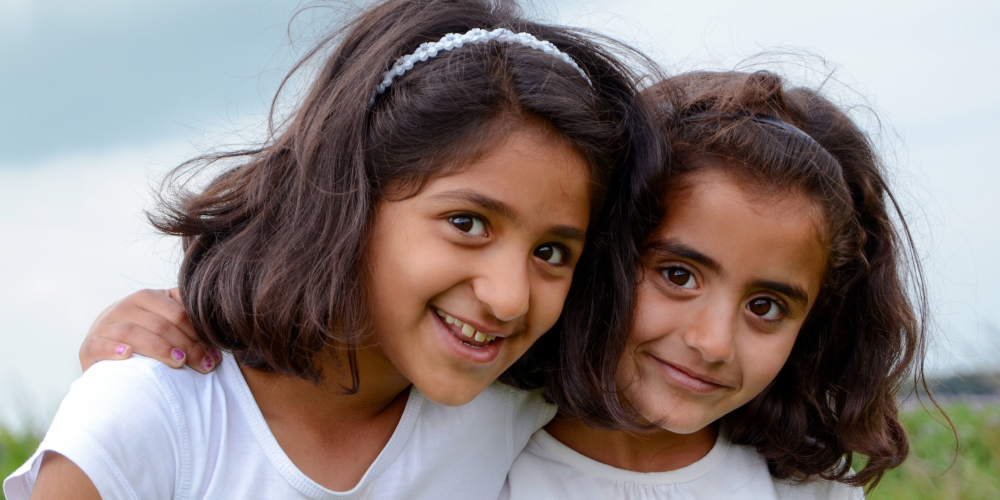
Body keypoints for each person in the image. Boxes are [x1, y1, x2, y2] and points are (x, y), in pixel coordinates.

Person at [3, 0, 663, 498]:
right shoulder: (149, 417)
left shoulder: (524, 413)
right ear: (352, 195)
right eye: (467, 223)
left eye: (552, 253)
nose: (509, 295)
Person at [501, 70, 928, 499]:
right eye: (678, 276)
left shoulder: (811, 490)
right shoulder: (471, 454)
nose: (713, 344)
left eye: (765, 307)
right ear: (603, 250)